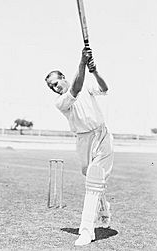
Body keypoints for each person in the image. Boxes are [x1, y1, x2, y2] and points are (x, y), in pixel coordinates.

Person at [45, 47, 114, 246]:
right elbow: (75, 88)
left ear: (63, 77)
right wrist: (82, 62)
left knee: (93, 181)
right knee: (93, 178)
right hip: (83, 142)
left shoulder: (86, 85)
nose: (55, 88)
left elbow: (105, 88)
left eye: (55, 83)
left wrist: (95, 71)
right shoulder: (61, 102)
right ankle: (104, 208)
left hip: (102, 135)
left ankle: (86, 231)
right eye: (51, 87)